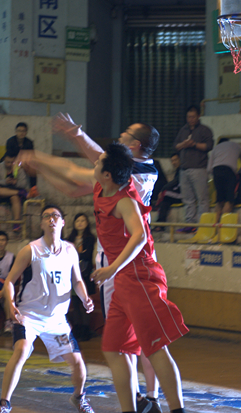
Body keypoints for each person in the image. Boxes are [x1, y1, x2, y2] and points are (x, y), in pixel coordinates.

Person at [18, 145, 189, 413]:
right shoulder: (101, 185)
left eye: (99, 162)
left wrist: (112, 268)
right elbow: (70, 173)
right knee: (113, 348)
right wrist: (39, 161)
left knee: (156, 349)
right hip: (122, 282)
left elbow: (139, 236)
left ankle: (178, 410)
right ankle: (132, 409)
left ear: (107, 174)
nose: (94, 163)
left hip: (140, 277)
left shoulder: (124, 200)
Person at [53, 114, 163, 412]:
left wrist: (71, 137)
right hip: (139, 261)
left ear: (135, 146)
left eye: (125, 134)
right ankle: (149, 397)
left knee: (126, 339)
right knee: (142, 335)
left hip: (122, 261)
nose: (119, 137)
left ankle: (142, 398)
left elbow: (91, 162)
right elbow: (87, 172)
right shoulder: (146, 169)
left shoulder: (130, 171)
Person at [0, 205, 95, 413]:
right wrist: (10, 302)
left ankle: (79, 398)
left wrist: (85, 298)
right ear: (41, 223)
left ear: (63, 222)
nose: (51, 219)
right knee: (21, 350)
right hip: (29, 315)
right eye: (47, 216)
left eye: (55, 216)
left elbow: (77, 280)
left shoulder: (70, 250)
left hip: (56, 320)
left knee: (78, 362)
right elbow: (10, 281)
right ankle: (4, 403)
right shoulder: (31, 250)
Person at [173, 104, 214, 232]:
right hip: (184, 169)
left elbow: (209, 146)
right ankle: (190, 224)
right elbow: (176, 146)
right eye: (188, 117)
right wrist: (184, 144)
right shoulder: (183, 130)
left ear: (198, 116)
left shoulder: (204, 130)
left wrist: (194, 144)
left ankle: (203, 225)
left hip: (199, 168)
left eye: (193, 117)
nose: (190, 119)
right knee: (188, 199)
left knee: (202, 199)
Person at [64, 213, 97, 341]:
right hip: (71, 274)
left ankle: (85, 329)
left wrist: (77, 255)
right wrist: (79, 254)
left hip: (85, 274)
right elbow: (67, 255)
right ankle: (77, 329)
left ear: (87, 223)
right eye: (78, 221)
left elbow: (87, 255)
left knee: (85, 301)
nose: (80, 223)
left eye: (83, 220)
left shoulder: (90, 238)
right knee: (76, 302)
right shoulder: (69, 239)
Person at [207, 138, 241, 222]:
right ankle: (223, 224)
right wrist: (238, 173)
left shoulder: (216, 148)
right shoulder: (237, 146)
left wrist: (215, 174)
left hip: (216, 171)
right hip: (229, 171)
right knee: (229, 200)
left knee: (219, 200)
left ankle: (214, 225)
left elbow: (209, 169)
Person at [0, 152, 29, 230]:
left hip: (13, 190)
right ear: (4, 160)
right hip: (2, 191)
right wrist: (5, 181)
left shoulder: (19, 168)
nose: (10, 164)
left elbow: (23, 184)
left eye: (12, 162)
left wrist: (16, 182)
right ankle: (21, 193)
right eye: (8, 162)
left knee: (15, 198)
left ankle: (16, 223)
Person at [155, 154, 182, 226]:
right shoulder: (178, 170)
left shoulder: (182, 170)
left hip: (183, 195)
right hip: (177, 195)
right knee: (165, 202)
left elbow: (175, 182)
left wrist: (163, 190)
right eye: (172, 161)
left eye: (175, 160)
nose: (173, 163)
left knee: (165, 194)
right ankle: (160, 224)